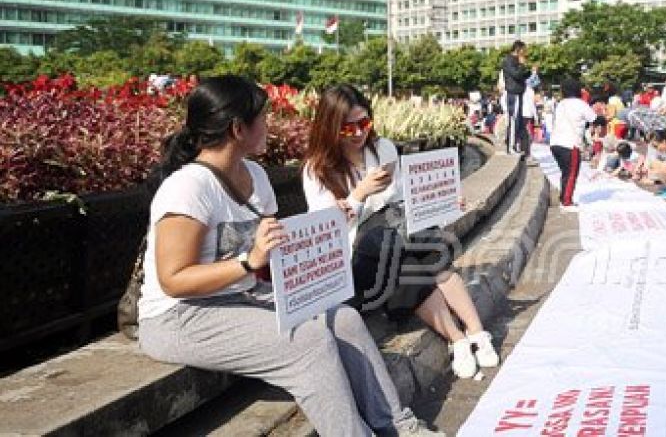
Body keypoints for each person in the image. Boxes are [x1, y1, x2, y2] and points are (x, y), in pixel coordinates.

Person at [137, 76, 441, 437]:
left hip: (243, 295)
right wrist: (249, 261)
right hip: (180, 316)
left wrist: (325, 227)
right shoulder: (188, 188)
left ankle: (401, 427)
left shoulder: (255, 176)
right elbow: (174, 279)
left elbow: (271, 251)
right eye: (262, 118)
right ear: (238, 128)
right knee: (308, 341)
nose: (269, 125)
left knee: (343, 318)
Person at [302, 85, 498, 381]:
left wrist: (443, 202)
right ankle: (457, 337)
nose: (358, 133)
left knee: (427, 250)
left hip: (394, 238)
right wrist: (359, 195)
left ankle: (475, 333)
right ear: (330, 128)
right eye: (348, 128)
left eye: (363, 123)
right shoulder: (317, 170)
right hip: (356, 261)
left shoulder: (382, 149)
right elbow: (326, 237)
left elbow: (408, 198)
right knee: (399, 257)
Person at [550, 77, 596, 212]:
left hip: (555, 143)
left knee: (565, 172)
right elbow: (594, 118)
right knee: (571, 173)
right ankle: (567, 201)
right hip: (570, 144)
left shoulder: (560, 104)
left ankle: (563, 197)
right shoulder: (580, 104)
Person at [500, 41, 532, 157]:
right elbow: (516, 75)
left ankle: (515, 145)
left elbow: (522, 75)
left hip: (519, 92)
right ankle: (510, 147)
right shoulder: (508, 60)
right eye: (523, 50)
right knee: (513, 120)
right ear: (518, 49)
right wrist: (522, 65)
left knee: (518, 121)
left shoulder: (516, 61)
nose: (524, 52)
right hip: (513, 92)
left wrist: (529, 71)